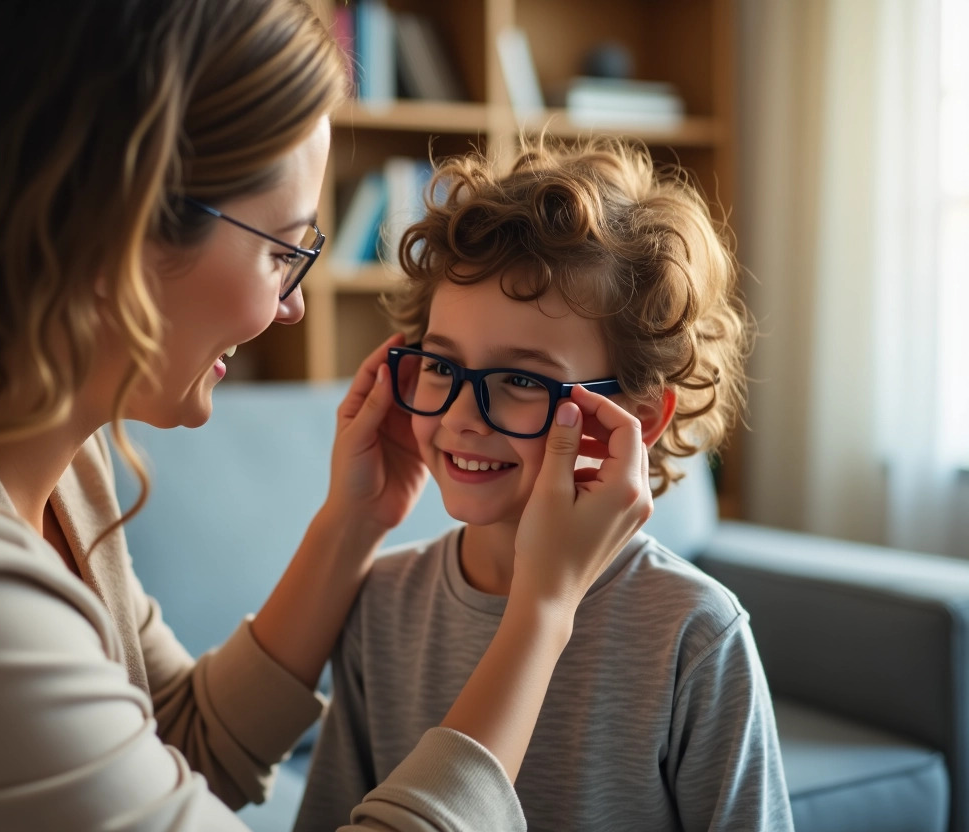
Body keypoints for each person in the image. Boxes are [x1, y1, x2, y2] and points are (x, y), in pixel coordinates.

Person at [0, 2, 657, 830]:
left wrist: (352, 525)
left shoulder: (46, 454)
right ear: (117, 227)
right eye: (285, 250)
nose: (292, 308)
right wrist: (542, 611)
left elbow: (171, 745)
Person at [294, 137, 795, 832]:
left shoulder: (694, 633)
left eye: (523, 380)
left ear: (637, 417)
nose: (463, 417)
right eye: (441, 366)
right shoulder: (380, 604)